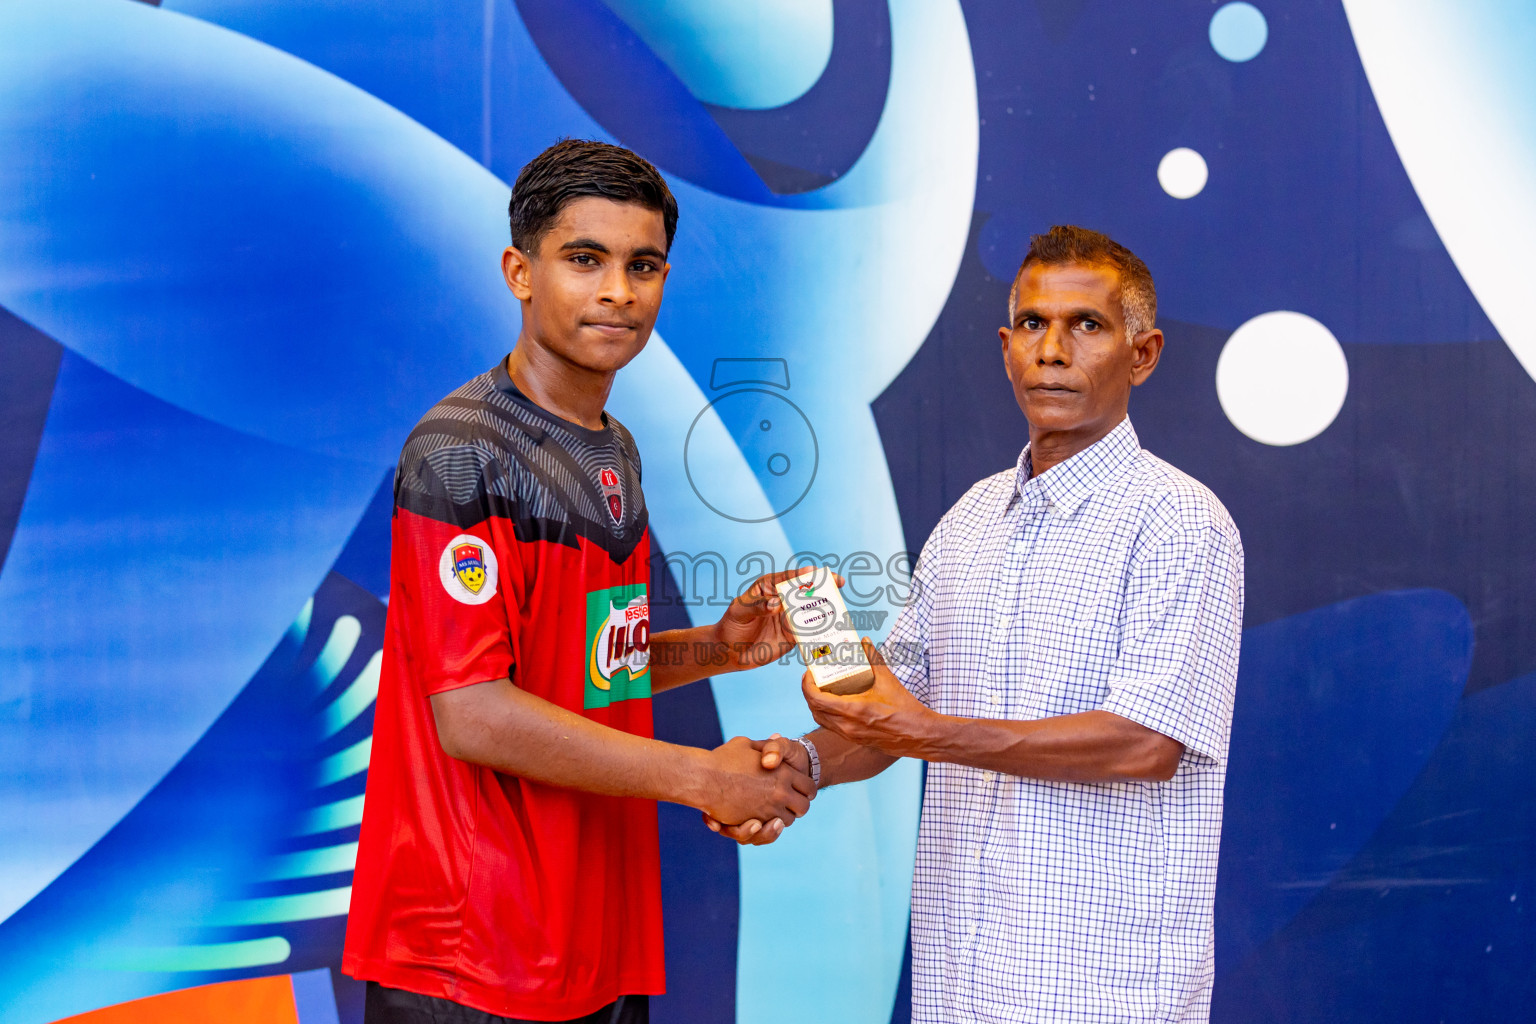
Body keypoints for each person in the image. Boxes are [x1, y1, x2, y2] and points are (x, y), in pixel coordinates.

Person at [343, 140, 817, 1024]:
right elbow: (475, 711)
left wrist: (719, 646)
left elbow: (598, 671)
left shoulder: (616, 449)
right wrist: (703, 778)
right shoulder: (458, 450)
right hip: (468, 953)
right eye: (585, 260)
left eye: (643, 266)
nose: (618, 292)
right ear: (520, 272)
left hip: (593, 944)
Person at [722, 225, 1245, 1023]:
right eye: (1033, 324)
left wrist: (924, 730)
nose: (1053, 350)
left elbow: (1147, 744)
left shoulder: (1180, 522)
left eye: (1088, 326)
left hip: (1103, 995)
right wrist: (797, 766)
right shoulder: (968, 523)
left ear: (1143, 355)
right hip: (960, 984)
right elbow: (887, 717)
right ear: (1005, 348)